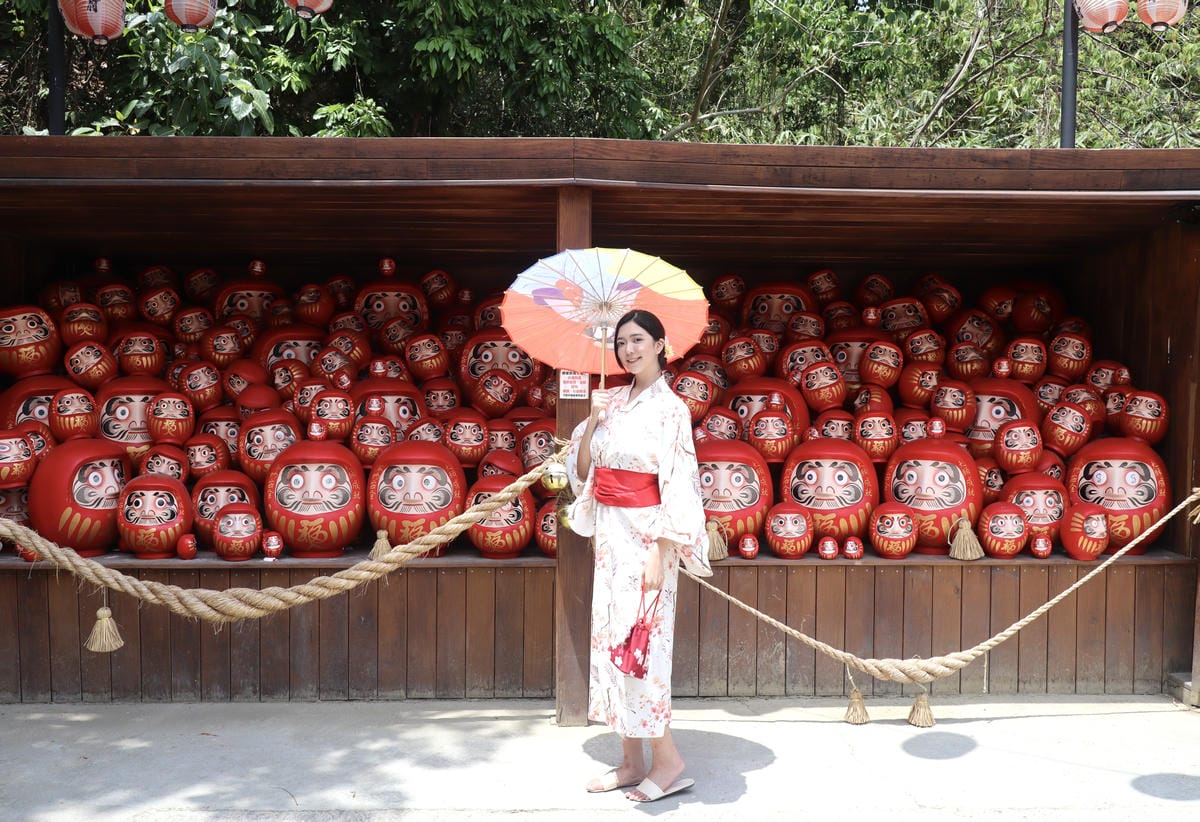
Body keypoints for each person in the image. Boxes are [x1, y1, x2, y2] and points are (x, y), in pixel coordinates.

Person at [566, 309, 712, 803]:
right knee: (612, 643)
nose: (629, 350)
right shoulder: (614, 401)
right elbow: (583, 469)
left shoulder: (671, 409)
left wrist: (663, 548)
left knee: (643, 647)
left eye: (638, 340)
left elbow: (680, 485)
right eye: (622, 342)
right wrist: (593, 420)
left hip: (649, 539)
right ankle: (630, 760)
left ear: (659, 344)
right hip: (610, 539)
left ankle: (667, 759)